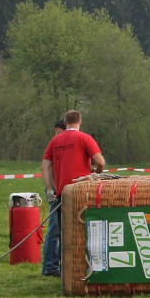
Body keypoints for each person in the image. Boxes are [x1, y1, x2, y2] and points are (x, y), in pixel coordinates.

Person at [41, 110, 105, 276]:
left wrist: (49, 188)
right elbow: (100, 161)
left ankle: (53, 266)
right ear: (80, 121)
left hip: (62, 192)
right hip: (81, 191)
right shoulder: (85, 138)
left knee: (59, 231)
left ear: (65, 121)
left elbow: (45, 166)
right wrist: (96, 173)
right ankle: (77, 265)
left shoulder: (55, 141)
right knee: (81, 229)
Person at [40, 118, 67, 277]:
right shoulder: (56, 144)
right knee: (55, 231)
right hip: (55, 192)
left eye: (59, 131)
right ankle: (50, 266)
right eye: (56, 132)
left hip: (61, 191)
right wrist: (50, 189)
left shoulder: (63, 145)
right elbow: (46, 168)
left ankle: (63, 264)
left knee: (63, 231)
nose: (57, 134)